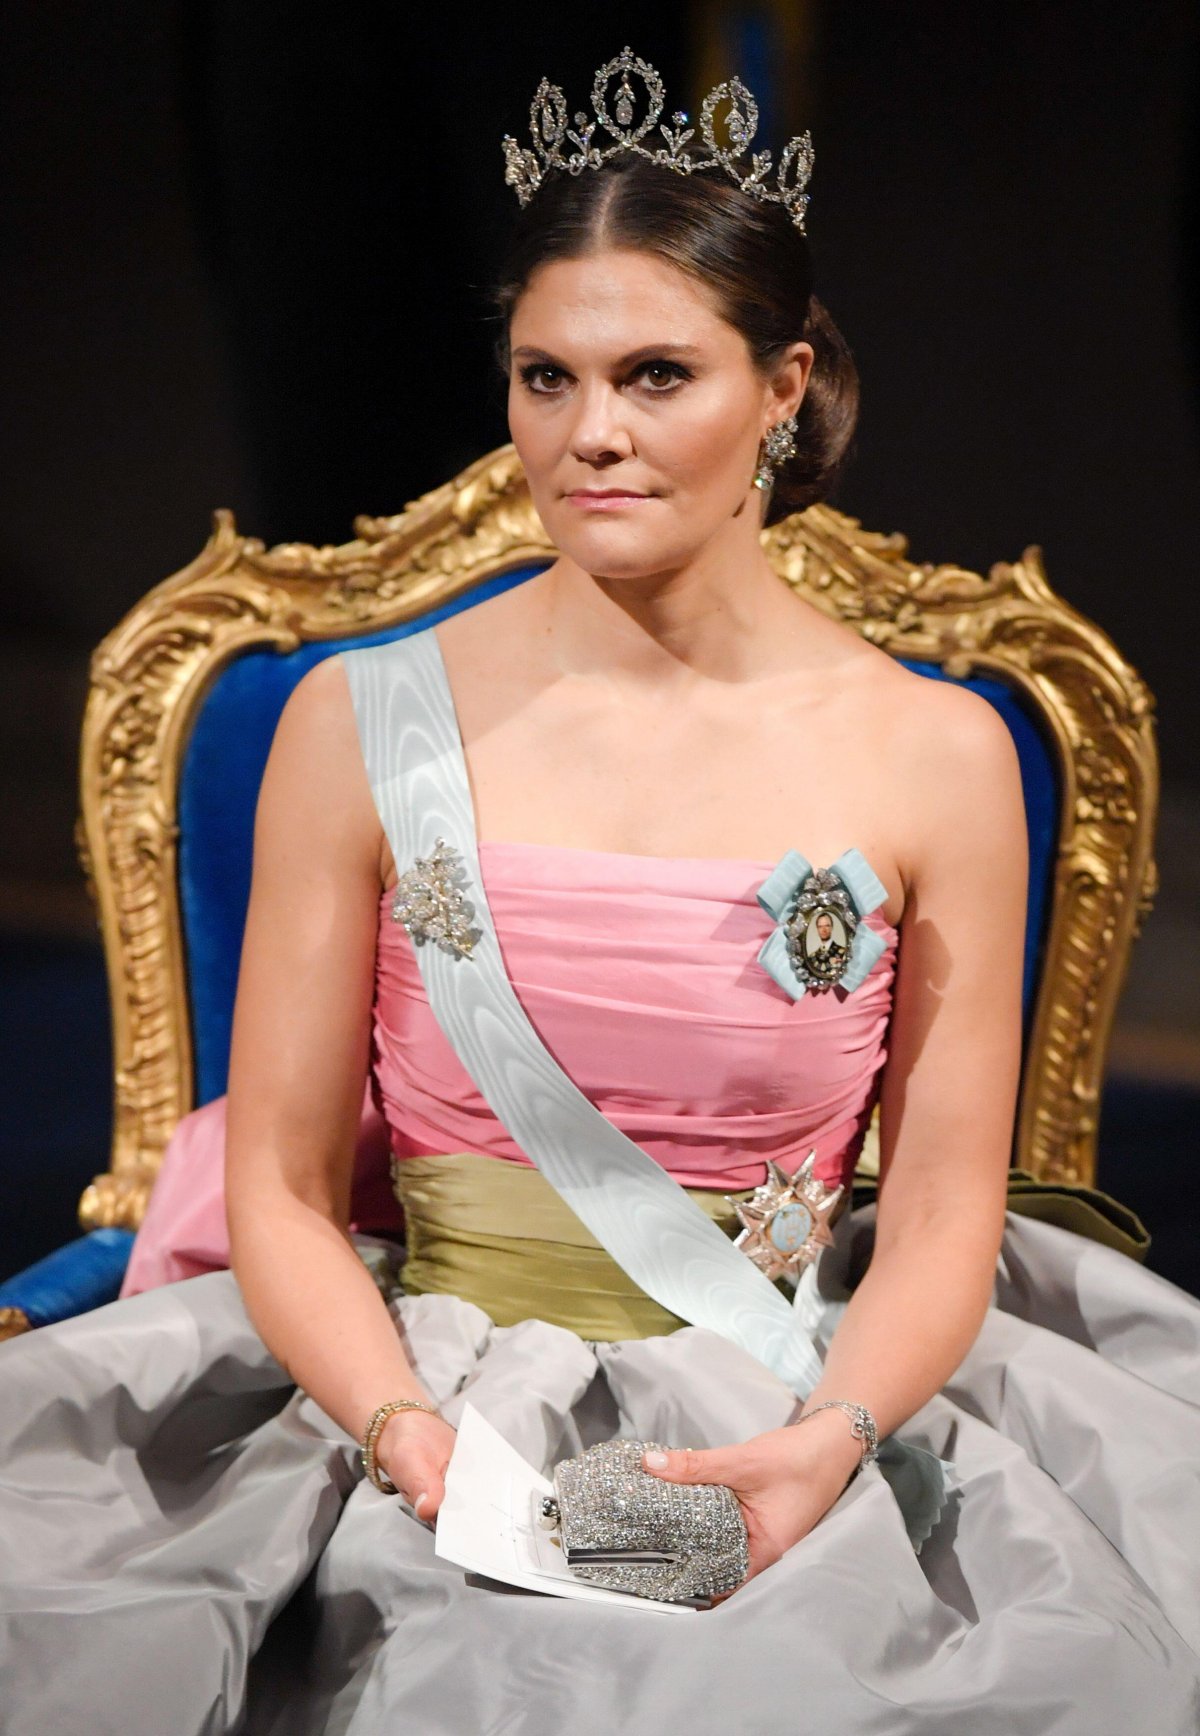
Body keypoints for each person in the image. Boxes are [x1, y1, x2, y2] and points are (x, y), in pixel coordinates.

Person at [2, 45, 1199, 1736]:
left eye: (656, 374)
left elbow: (941, 1211)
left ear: (784, 385)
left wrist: (822, 1451)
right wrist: (407, 1437)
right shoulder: (359, 719)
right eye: (544, 379)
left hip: (795, 1392)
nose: (594, 437)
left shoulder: (936, 755)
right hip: (407, 1386)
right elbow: (272, 1179)